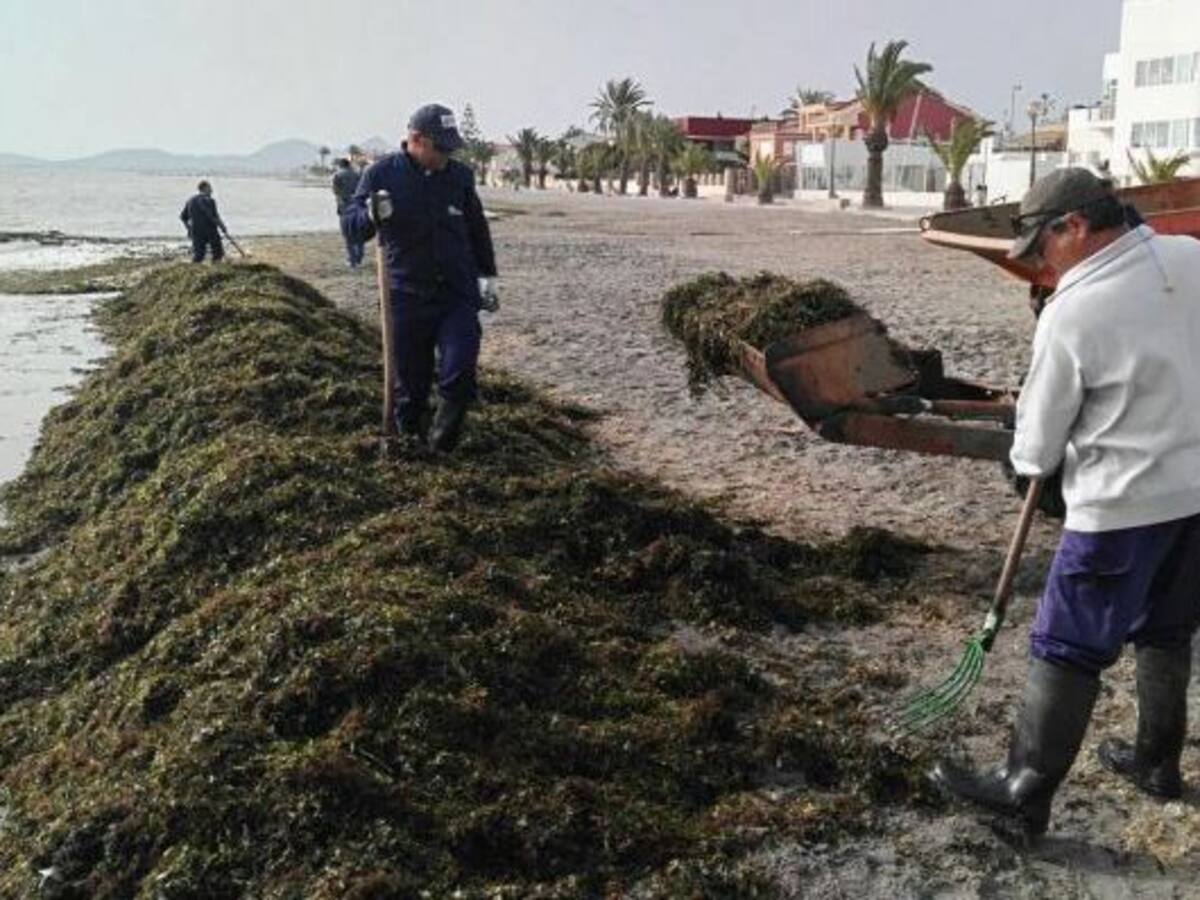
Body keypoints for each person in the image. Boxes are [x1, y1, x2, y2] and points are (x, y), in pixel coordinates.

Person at [931, 168, 1200, 840]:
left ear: (1074, 226)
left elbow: (1035, 446)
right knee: (1167, 628)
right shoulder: (1190, 258)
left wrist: (1029, 466)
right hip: (1195, 493)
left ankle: (1023, 791)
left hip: (1120, 506)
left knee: (1068, 642)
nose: (1041, 264)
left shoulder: (1073, 311)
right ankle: (1157, 762)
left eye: (1042, 247)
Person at [344, 103, 499, 452]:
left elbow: (477, 228)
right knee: (410, 388)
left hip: (456, 293)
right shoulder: (381, 175)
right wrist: (369, 215)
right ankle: (410, 443)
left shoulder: (459, 177)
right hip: (405, 297)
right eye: (440, 148)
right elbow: (351, 228)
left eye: (451, 149)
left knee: (460, 370)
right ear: (416, 140)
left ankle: (441, 446)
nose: (446, 156)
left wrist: (488, 276)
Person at [180, 180, 228, 263]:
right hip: (209, 231)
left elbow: (183, 217)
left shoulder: (190, 200)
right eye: (210, 188)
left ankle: (194, 267)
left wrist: (189, 228)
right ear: (205, 188)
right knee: (218, 252)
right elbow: (213, 216)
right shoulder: (210, 200)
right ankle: (216, 265)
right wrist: (222, 226)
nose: (211, 190)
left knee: (199, 255)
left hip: (196, 231)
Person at [332, 158, 365, 268]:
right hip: (357, 206)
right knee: (358, 231)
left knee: (347, 233)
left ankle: (352, 260)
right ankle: (359, 257)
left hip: (344, 207)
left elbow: (336, 191)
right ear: (349, 165)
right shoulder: (357, 174)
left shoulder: (337, 175)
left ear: (340, 165)